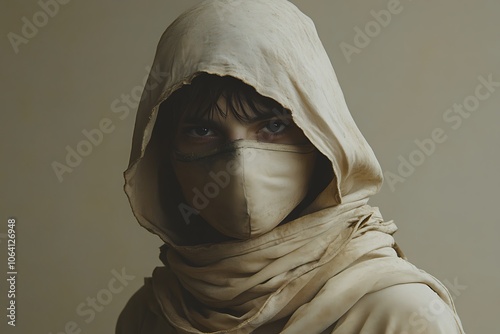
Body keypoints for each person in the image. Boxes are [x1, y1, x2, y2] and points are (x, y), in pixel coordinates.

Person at [116, 0, 465, 333]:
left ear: (322, 140)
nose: (239, 164)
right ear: (164, 153)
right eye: (203, 131)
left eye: (274, 126)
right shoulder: (150, 316)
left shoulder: (401, 315)